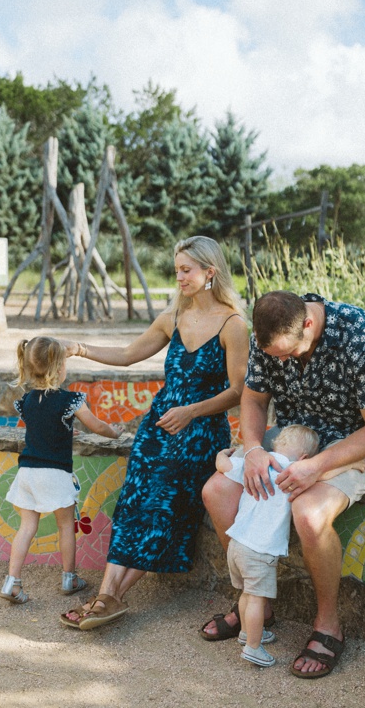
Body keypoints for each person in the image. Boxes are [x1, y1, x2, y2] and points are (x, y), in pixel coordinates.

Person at [200, 289, 365, 679]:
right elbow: (255, 401)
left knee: (308, 514)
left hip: (353, 444)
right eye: (273, 355)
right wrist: (254, 448)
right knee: (216, 491)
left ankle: (328, 624)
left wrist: (319, 467)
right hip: (291, 438)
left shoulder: (363, 338)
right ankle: (255, 599)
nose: (280, 361)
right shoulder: (270, 334)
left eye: (286, 355)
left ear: (309, 323)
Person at [57, 236, 248, 629]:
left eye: (185, 270)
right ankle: (108, 596)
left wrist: (192, 411)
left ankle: (111, 597)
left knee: (163, 509)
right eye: (177, 269)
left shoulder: (234, 324)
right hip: (157, 429)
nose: (178, 277)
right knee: (132, 504)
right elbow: (128, 355)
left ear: (210, 273)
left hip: (199, 436)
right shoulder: (173, 316)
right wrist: (77, 347)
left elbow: (238, 390)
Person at [212, 425, 363, 667]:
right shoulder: (293, 472)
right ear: (305, 458)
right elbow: (323, 475)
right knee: (257, 598)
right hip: (259, 550)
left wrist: (224, 453)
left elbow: (222, 466)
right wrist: (350, 465)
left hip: (236, 542)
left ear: (275, 446)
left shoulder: (255, 465)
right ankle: (253, 647)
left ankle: (246, 633)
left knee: (246, 594)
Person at [0, 337, 122, 604]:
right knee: (66, 525)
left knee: (26, 526)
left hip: (28, 472)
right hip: (54, 474)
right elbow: (98, 426)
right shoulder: (70, 400)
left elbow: (44, 426)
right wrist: (115, 433)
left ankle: (12, 582)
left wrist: (65, 430)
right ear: (59, 368)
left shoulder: (27, 400)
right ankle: (69, 578)